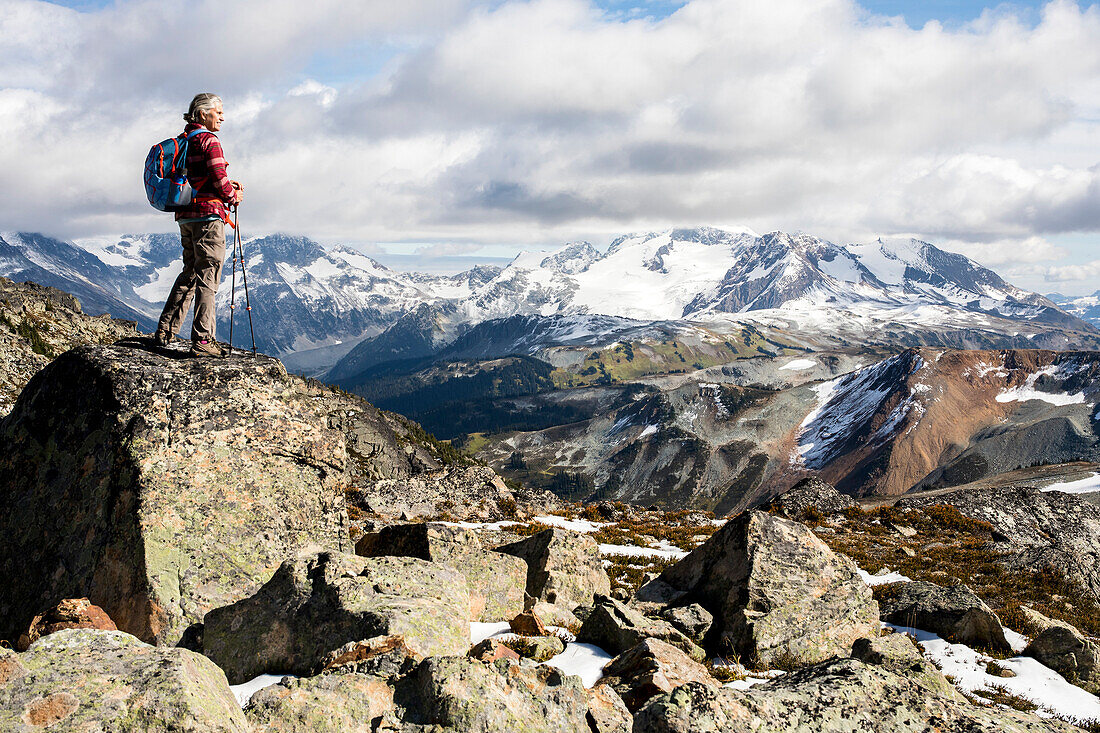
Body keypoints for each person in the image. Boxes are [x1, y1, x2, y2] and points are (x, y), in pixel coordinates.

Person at [154, 93, 243, 357]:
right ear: (203, 114)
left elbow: (198, 177)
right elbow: (218, 180)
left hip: (186, 215)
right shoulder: (209, 141)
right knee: (208, 275)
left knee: (190, 270)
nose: (222, 117)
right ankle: (203, 341)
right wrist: (232, 194)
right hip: (208, 217)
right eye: (218, 111)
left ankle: (166, 330)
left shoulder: (183, 142)